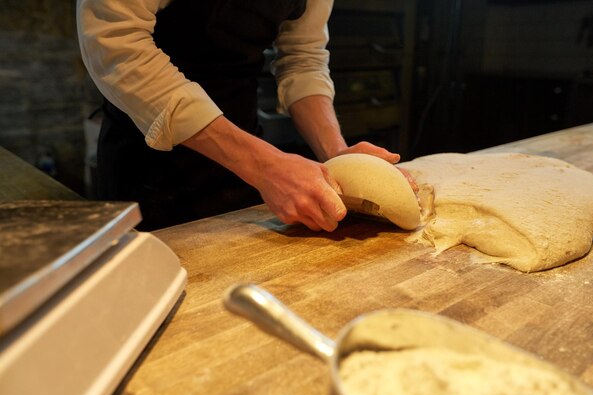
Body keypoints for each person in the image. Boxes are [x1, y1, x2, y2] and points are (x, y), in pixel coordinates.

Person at [77, 0, 412, 231]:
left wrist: (338, 156)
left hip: (244, 153)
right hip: (148, 163)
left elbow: (302, 56)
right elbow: (115, 42)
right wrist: (264, 166)